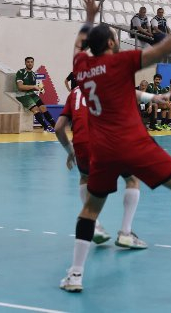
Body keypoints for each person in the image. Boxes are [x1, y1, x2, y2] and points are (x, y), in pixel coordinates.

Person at [61, 0, 171, 293]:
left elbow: (78, 44)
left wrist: (88, 18)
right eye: (115, 37)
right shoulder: (121, 62)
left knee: (90, 211)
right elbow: (164, 47)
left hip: (102, 151)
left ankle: (75, 274)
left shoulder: (81, 67)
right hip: (132, 143)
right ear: (111, 43)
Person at [54, 73, 148, 249]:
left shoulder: (74, 92)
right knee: (132, 179)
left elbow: (59, 128)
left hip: (81, 143)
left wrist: (70, 151)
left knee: (85, 177)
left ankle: (94, 225)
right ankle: (126, 233)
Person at [15, 57, 56, 133]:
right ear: (25, 63)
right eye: (28, 62)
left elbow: (32, 88)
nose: (30, 63)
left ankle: (55, 126)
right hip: (22, 95)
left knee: (43, 108)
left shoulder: (33, 74)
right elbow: (20, 87)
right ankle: (46, 127)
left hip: (31, 94)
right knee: (36, 109)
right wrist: (34, 87)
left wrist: (40, 89)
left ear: (33, 63)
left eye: (31, 62)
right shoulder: (21, 72)